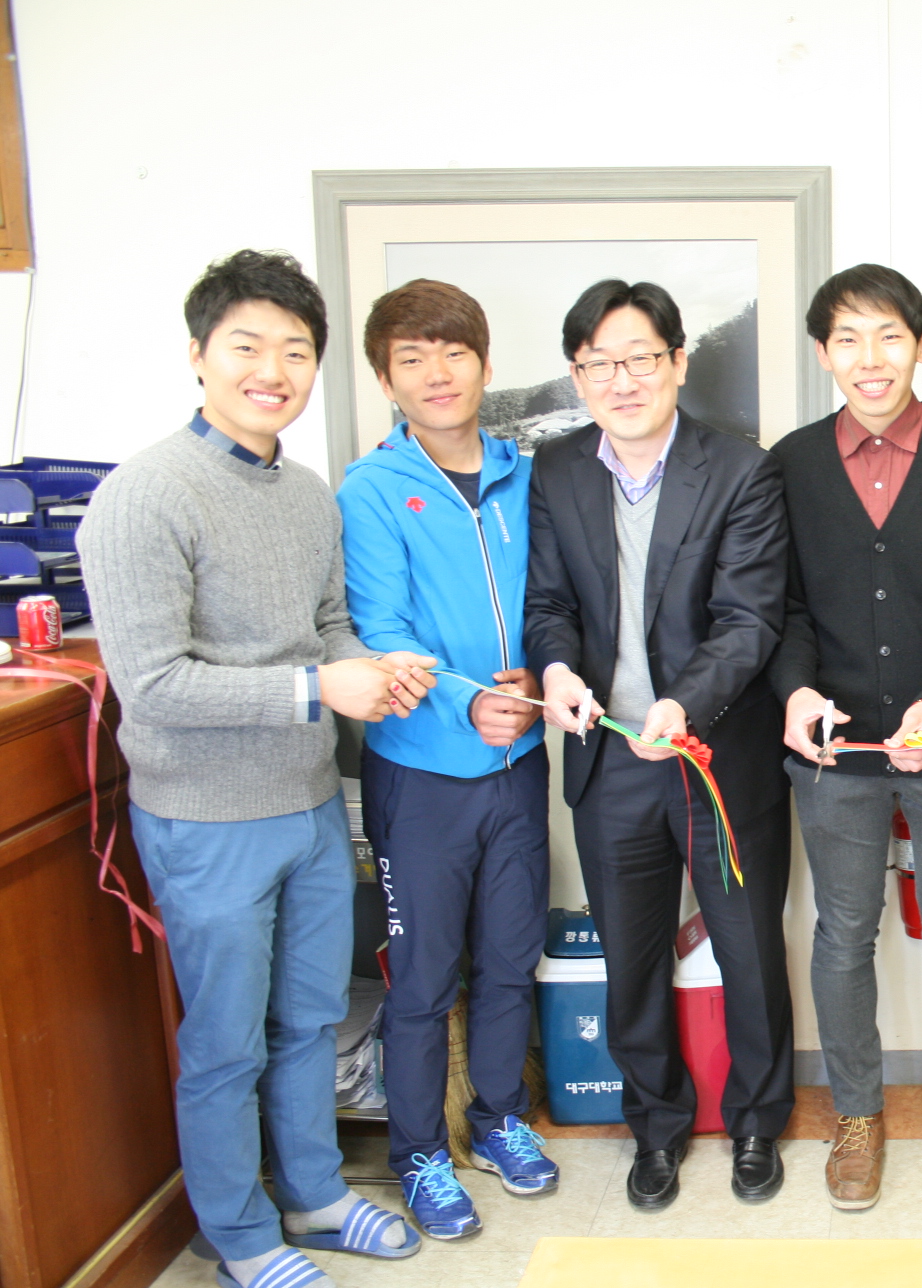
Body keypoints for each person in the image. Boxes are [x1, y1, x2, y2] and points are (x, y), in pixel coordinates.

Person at [77, 250, 432, 1288]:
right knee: (226, 1042)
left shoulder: (308, 494)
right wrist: (322, 689)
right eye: (247, 346)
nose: (272, 370)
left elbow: (329, 626)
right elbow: (155, 686)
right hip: (204, 817)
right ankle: (238, 1235)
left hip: (310, 803)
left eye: (295, 350)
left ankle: (315, 1196)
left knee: (313, 1020)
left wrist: (377, 667)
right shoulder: (142, 496)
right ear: (199, 354)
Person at [524, 279, 794, 1213]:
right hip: (608, 764)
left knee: (748, 951)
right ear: (577, 376)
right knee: (631, 963)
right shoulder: (558, 470)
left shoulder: (741, 470)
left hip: (714, 761)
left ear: (678, 362)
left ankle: (757, 1120)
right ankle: (656, 1125)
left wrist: (683, 704)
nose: (622, 379)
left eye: (640, 357)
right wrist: (557, 670)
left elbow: (750, 620)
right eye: (599, 363)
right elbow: (549, 603)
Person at [770, 264, 922, 1211]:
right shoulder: (790, 465)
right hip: (834, 753)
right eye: (847, 338)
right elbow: (783, 608)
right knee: (842, 932)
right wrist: (797, 691)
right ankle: (857, 1116)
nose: (869, 358)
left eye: (888, 335)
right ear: (823, 353)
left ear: (921, 344)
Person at [336, 279, 557, 1239]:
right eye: (411, 358)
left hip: (521, 765)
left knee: (510, 958)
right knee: (423, 978)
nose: (436, 373)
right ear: (386, 378)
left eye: (453, 352)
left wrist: (545, 673)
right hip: (421, 773)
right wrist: (472, 701)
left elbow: (558, 604)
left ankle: (499, 1118)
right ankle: (420, 1152)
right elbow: (381, 633)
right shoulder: (371, 490)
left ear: (485, 364)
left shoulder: (526, 477)